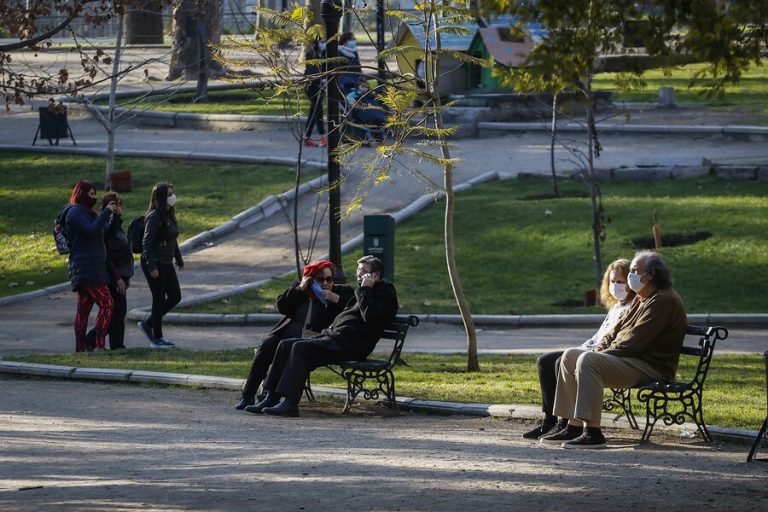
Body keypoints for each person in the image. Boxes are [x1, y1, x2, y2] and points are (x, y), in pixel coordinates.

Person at [543, 251, 687, 449]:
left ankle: (592, 432)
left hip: (651, 367)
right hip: (630, 360)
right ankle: (572, 425)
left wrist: (598, 356)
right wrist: (599, 350)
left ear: (652, 274)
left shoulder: (663, 300)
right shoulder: (641, 296)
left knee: (588, 361)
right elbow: (615, 331)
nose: (631, 276)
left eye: (636, 271)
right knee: (570, 356)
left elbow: (635, 341)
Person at [246, 255, 398, 417]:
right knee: (285, 344)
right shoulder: (362, 292)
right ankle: (272, 397)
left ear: (376, 275)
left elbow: (371, 315)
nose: (359, 276)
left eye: (364, 272)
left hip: (351, 345)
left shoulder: (385, 292)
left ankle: (290, 403)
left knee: (300, 348)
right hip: (335, 339)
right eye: (358, 271)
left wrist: (366, 289)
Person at [522, 258, 635, 440]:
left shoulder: (632, 307)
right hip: (591, 348)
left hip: (602, 355)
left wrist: (585, 351)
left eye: (620, 282)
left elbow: (612, 340)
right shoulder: (615, 306)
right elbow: (598, 336)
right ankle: (549, 420)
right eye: (612, 282)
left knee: (561, 362)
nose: (615, 286)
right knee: (545, 361)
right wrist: (580, 348)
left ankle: (566, 421)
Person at [236, 260, 354, 411]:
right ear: (310, 279)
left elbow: (353, 306)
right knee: (266, 345)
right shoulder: (301, 291)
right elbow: (282, 306)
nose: (325, 283)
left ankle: (271, 397)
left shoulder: (341, 292)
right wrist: (300, 289)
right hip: (285, 333)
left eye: (329, 279)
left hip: (313, 338)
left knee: (288, 347)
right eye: (320, 279)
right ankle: (247, 396)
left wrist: (335, 299)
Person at [64, 180, 118, 352]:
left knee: (84, 310)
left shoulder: (89, 212)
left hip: (93, 266)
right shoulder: (74, 212)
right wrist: (104, 213)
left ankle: (81, 349)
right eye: (91, 194)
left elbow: (105, 233)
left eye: (96, 194)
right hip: (85, 267)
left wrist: (114, 216)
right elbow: (90, 231)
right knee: (107, 304)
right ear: (81, 194)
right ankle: (99, 345)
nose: (94, 198)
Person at [84, 192, 134, 351]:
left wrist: (126, 276)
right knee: (114, 312)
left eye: (119, 204)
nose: (118, 207)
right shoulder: (104, 225)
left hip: (122, 274)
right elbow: (108, 253)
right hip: (113, 275)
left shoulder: (116, 224)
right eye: (114, 204)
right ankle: (92, 339)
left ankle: (117, 344)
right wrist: (118, 277)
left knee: (119, 312)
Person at [137, 182, 184, 349]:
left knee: (175, 296)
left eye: (173, 193)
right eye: (169, 194)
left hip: (166, 261)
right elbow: (146, 244)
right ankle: (157, 338)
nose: (172, 197)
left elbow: (172, 238)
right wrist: (152, 267)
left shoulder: (169, 214)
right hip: (155, 262)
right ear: (161, 197)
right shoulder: (154, 216)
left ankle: (148, 323)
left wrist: (178, 258)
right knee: (158, 298)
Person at [303, 39, 327, 148]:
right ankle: (322, 137)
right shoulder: (311, 54)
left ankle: (307, 137)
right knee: (318, 111)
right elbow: (311, 71)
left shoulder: (326, 54)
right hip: (312, 86)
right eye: (322, 41)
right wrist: (321, 79)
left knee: (314, 112)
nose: (324, 42)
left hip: (319, 85)